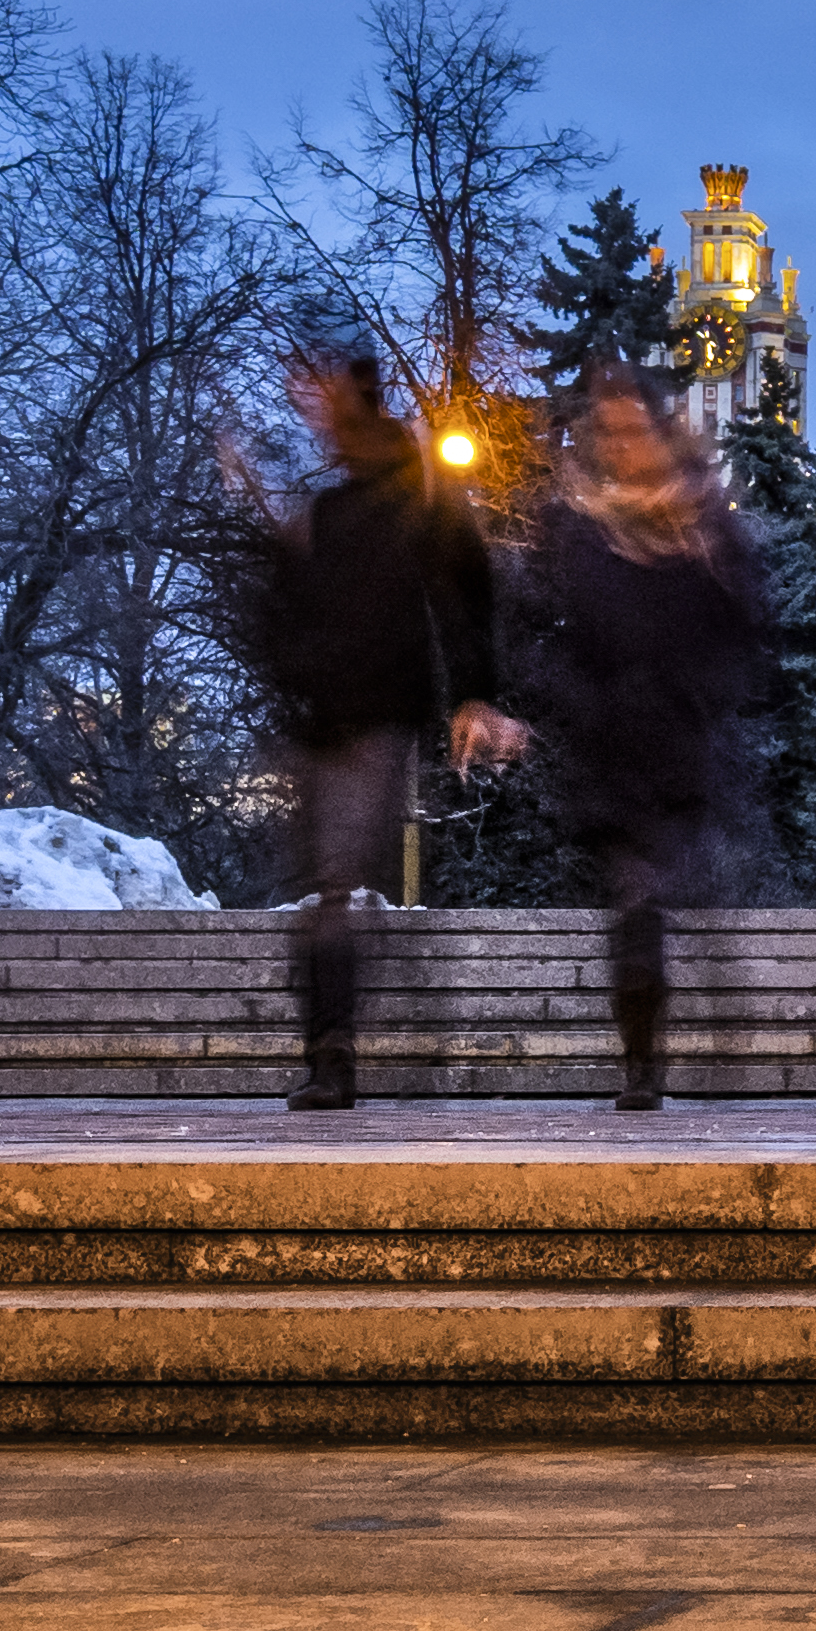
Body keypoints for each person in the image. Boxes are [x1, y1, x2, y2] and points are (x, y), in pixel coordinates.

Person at [250, 350, 520, 1111]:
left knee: (334, 882)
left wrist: (472, 697)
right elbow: (283, 615)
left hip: (376, 711)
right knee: (321, 891)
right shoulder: (327, 512)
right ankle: (327, 1050)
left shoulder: (419, 492)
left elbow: (465, 593)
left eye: (333, 408)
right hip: (319, 715)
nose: (320, 423)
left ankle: (331, 1057)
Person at [513, 368, 773, 1109]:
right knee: (636, 897)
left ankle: (688, 1037)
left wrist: (707, 565)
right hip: (611, 745)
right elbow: (544, 625)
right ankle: (642, 1066)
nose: (624, 448)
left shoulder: (703, 526)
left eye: (636, 430)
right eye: (612, 434)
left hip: (682, 743)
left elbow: (748, 629)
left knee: (668, 890)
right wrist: (547, 700)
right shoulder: (578, 529)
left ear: (660, 433)